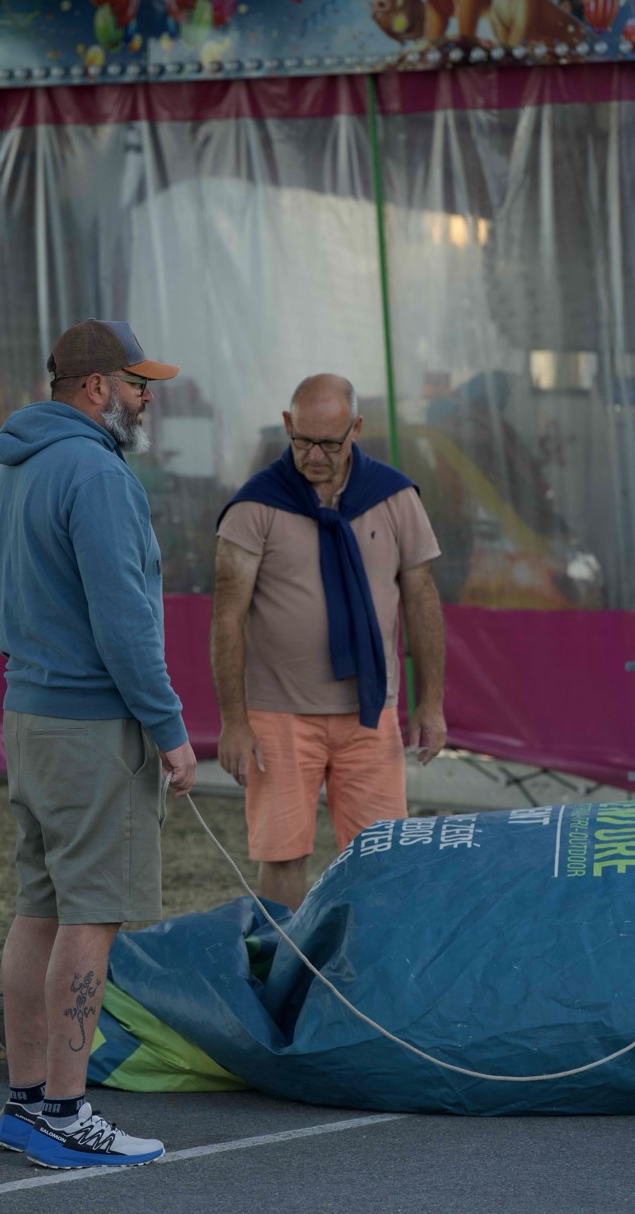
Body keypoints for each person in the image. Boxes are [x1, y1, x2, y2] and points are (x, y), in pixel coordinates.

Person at [0, 318, 197, 1170]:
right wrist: (170, 730)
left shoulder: (20, 464)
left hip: (30, 715)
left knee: (38, 907)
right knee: (91, 914)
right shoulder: (96, 472)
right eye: (138, 384)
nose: (148, 399)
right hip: (91, 727)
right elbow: (124, 622)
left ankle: (26, 1104)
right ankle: (67, 1114)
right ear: (97, 386)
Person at [210, 373, 446, 913]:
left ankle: (369, 962)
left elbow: (422, 600)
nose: (314, 455)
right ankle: (283, 960)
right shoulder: (254, 505)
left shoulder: (394, 497)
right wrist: (233, 722)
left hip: (370, 712)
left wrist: (430, 703)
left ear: (356, 429)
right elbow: (226, 616)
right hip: (278, 714)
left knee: (380, 857)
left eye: (329, 443)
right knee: (282, 856)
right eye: (303, 440)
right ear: (287, 425)